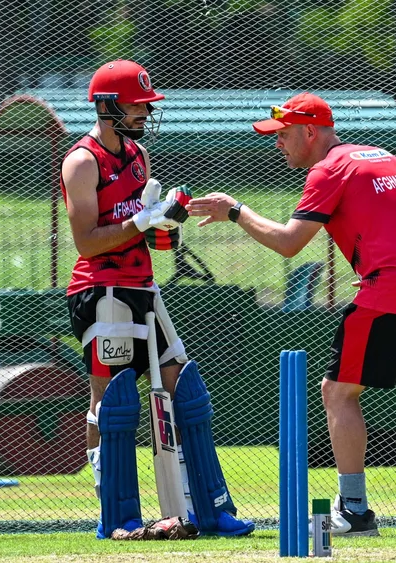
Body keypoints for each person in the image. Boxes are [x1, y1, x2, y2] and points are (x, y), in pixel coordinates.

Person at [186, 92, 396, 536]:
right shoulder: (385, 156)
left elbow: (289, 243)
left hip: (393, 287)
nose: (277, 143)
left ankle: (353, 511)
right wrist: (389, 255)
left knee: (337, 392)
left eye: (282, 134)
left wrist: (236, 211)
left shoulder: (327, 169)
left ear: (309, 132)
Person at [60, 59, 254, 539]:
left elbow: (143, 234)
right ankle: (117, 515)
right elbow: (87, 241)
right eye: (137, 103)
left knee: (185, 387)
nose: (145, 111)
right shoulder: (82, 161)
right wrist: (141, 222)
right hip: (100, 290)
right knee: (114, 402)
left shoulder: (138, 154)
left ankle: (211, 510)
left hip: (144, 288)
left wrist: (164, 225)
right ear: (108, 106)